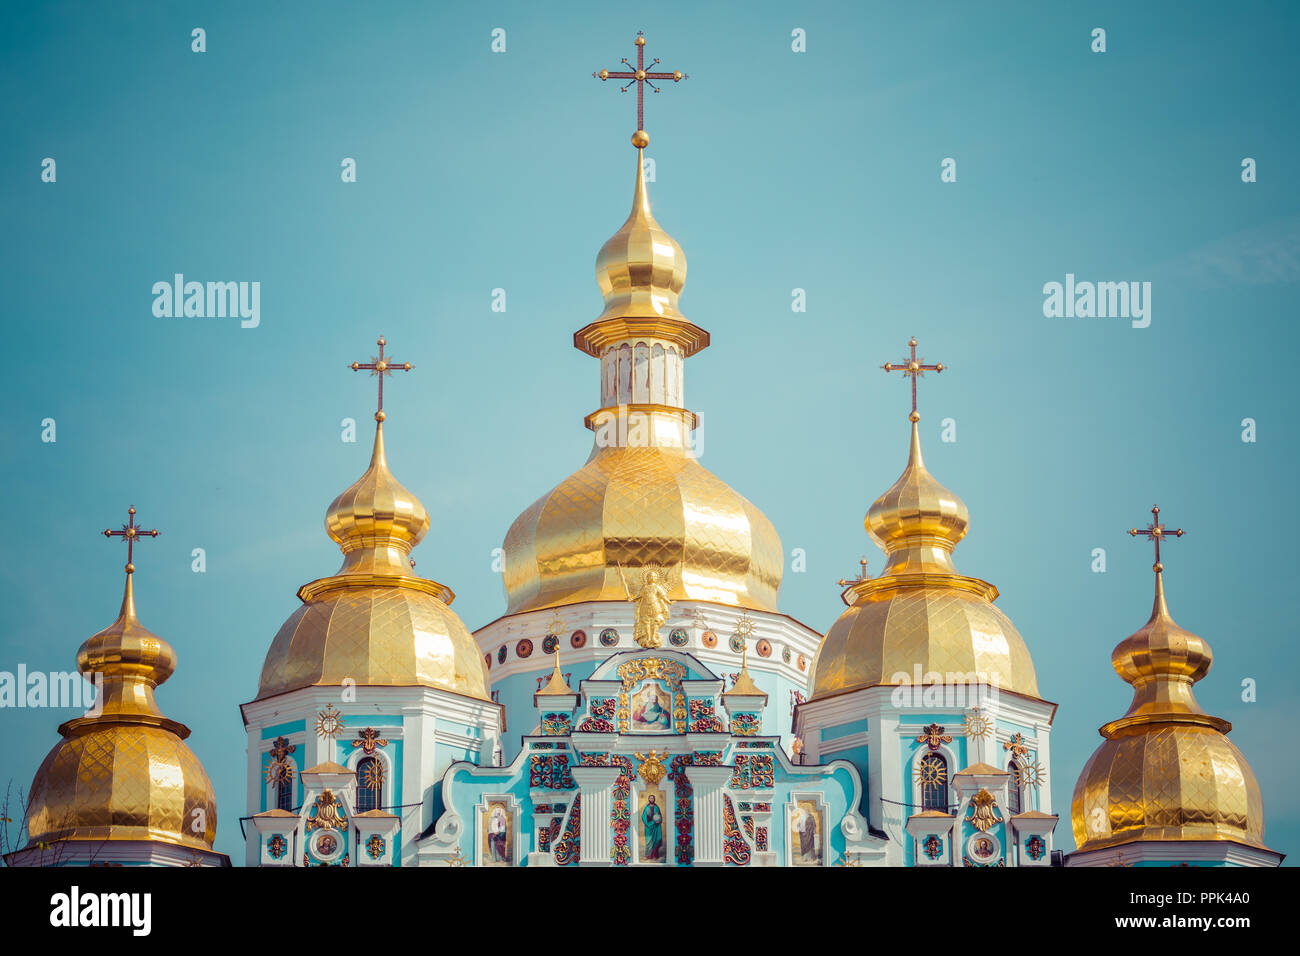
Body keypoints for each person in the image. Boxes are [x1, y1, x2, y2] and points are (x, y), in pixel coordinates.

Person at [642, 795, 664, 860]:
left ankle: (655, 855)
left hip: (655, 826)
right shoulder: (646, 808)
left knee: (656, 840)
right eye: (650, 798)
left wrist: (658, 820)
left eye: (652, 798)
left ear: (654, 799)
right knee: (649, 841)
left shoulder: (657, 807)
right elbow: (643, 817)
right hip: (649, 827)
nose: (651, 799)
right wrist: (648, 820)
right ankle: (648, 856)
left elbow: (660, 816)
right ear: (649, 799)